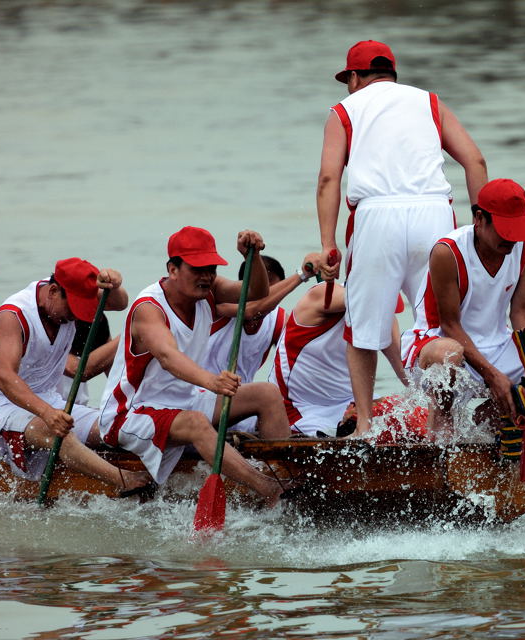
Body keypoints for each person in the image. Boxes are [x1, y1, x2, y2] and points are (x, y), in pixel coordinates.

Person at [316, 40, 489, 436]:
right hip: (434, 214)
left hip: (376, 217)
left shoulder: (344, 110)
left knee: (362, 329)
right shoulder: (428, 102)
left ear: (356, 77)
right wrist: (481, 228)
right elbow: (475, 160)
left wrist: (329, 243)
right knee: (440, 326)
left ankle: (363, 425)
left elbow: (329, 178)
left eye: (348, 79)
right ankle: (443, 428)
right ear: (392, 73)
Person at [98, 227, 292, 505]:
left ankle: (290, 475)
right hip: (131, 414)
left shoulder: (209, 291)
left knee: (267, 394)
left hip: (185, 401)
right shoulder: (149, 308)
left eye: (211, 268)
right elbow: (168, 356)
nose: (206, 276)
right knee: (197, 423)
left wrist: (252, 257)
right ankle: (270, 489)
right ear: (173, 269)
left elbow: (256, 291)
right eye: (197, 268)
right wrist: (212, 382)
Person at [400, 179, 525, 434]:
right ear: (479, 218)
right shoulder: (448, 252)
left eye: (516, 229)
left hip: (497, 344)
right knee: (449, 353)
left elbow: (522, 311)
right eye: (504, 230)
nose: (511, 240)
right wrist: (492, 375)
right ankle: (443, 442)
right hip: (437, 345)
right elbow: (450, 325)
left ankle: (490, 417)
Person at [0, 258, 151, 493]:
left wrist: (116, 285)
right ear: (54, 291)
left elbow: (119, 304)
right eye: (72, 308)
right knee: (57, 432)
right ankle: (124, 480)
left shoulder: (69, 297)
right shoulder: (14, 315)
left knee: (115, 425)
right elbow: (6, 378)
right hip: (0, 405)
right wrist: (47, 413)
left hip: (51, 400)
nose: (73, 317)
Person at [270, 252, 407, 438]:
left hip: (349, 405)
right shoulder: (320, 296)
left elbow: (406, 373)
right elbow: (360, 299)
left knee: (408, 418)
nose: (382, 311)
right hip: (300, 408)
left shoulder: (384, 316)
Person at [201, 253, 319, 433]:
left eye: (275, 290)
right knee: (267, 393)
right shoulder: (219, 307)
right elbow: (253, 311)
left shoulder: (278, 319)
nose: (271, 296)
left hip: (242, 408)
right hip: (203, 403)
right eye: (265, 290)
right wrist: (302, 274)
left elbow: (306, 352)